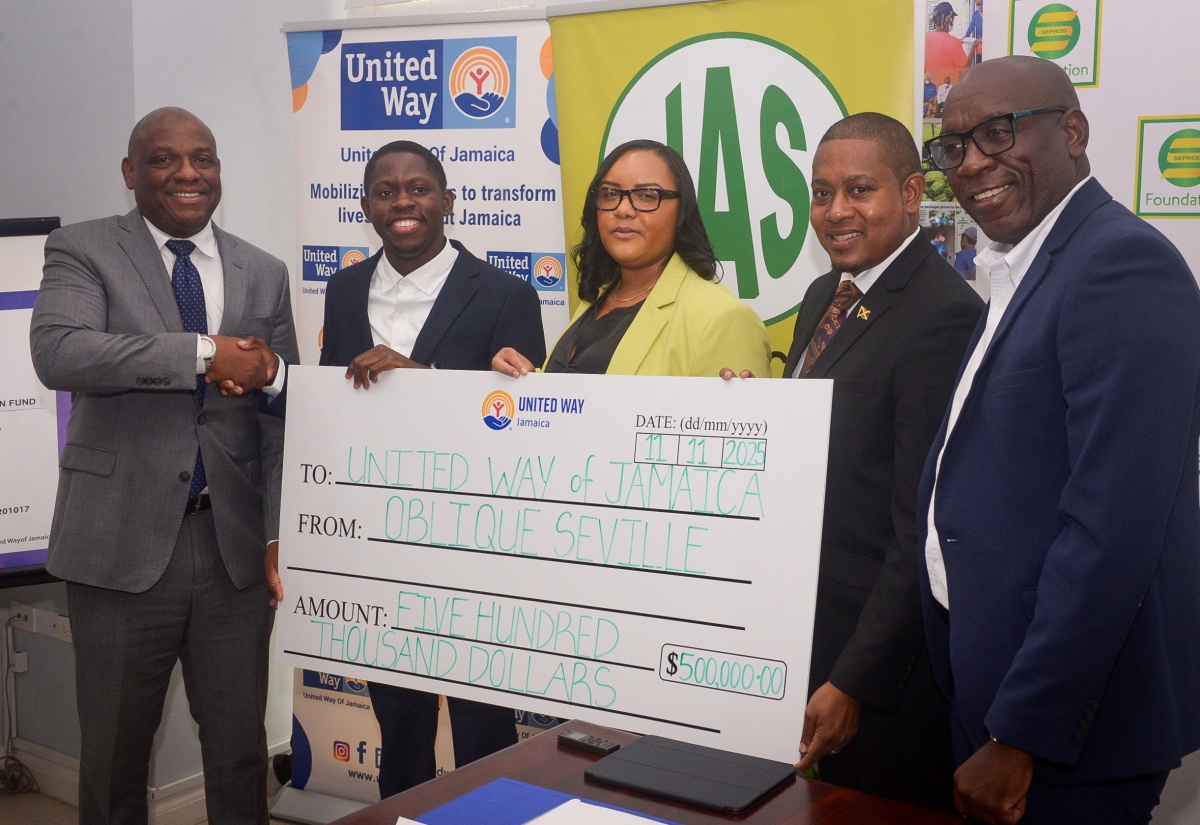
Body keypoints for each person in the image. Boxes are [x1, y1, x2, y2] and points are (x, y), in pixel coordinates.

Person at [919, 56, 1200, 825]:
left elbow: (1112, 530)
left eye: (997, 133)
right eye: (954, 147)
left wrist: (1021, 732)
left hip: (1064, 731)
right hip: (993, 693)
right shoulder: (1021, 268)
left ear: (1072, 131)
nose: (973, 162)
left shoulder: (1120, 264)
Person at [29, 107, 298, 825]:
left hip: (231, 552)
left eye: (202, 158)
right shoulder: (82, 249)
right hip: (117, 547)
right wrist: (204, 352)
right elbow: (61, 352)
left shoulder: (263, 271)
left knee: (241, 756)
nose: (186, 173)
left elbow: (278, 415)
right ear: (130, 173)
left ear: (218, 170)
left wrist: (276, 532)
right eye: (163, 159)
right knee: (115, 760)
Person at [266, 139, 543, 798]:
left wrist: (424, 380)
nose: (402, 202)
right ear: (366, 207)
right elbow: (336, 414)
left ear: (448, 201)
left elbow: (527, 424)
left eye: (417, 188)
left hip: (474, 548)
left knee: (483, 727)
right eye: (385, 191)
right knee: (400, 724)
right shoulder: (344, 289)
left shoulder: (507, 293)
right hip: (380, 548)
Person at [726, 113, 981, 810]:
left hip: (883, 679)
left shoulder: (942, 313)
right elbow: (833, 447)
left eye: (859, 189)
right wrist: (762, 415)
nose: (835, 211)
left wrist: (854, 681)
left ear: (909, 192)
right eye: (821, 192)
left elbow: (918, 526)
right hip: (805, 640)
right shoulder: (825, 295)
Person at [492, 139, 769, 378]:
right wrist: (528, 381)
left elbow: (726, 432)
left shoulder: (723, 319)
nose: (623, 209)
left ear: (681, 210)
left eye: (647, 196)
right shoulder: (599, 295)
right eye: (610, 194)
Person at [925, 2, 969, 79]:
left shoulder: (927, 36)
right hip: (950, 88)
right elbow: (966, 67)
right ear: (949, 19)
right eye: (953, 19)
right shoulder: (954, 43)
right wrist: (973, 47)